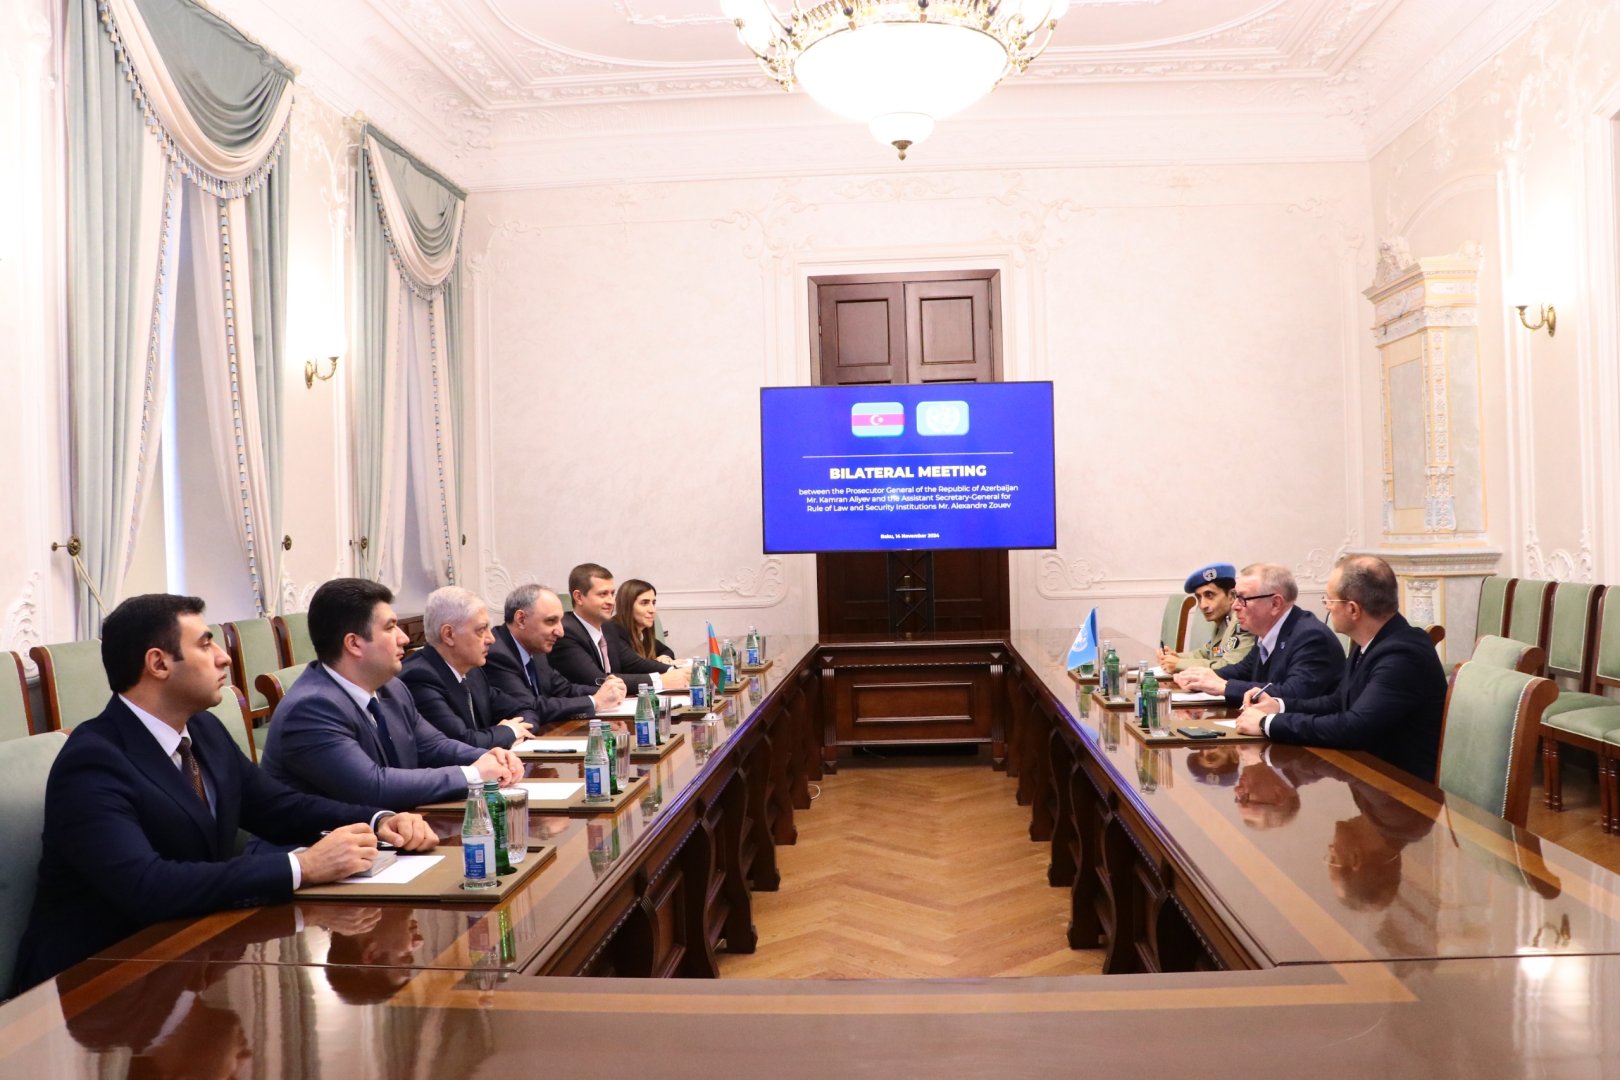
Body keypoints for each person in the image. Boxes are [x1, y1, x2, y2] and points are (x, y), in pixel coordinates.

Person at [13, 593, 437, 993]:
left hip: (190, 950)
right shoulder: (94, 760)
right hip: (96, 981)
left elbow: (276, 807)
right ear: (158, 663)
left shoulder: (202, 729)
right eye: (205, 645)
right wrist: (301, 867)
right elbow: (147, 885)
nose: (224, 657)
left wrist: (379, 820)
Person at [260, 578, 524, 810]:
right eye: (390, 628)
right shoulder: (311, 708)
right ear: (354, 643)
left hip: (383, 837)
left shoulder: (392, 688)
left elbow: (433, 746)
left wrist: (489, 756)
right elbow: (373, 787)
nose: (404, 638)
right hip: (313, 852)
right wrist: (473, 774)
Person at [1234, 554, 1449, 782]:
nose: (1326, 607)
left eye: (1330, 600)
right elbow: (1338, 701)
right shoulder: (1371, 643)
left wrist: (1267, 724)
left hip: (1403, 791)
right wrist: (1279, 706)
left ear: (1353, 609)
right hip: (1368, 777)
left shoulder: (1402, 655)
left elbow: (1354, 728)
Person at [1174, 562, 1342, 708]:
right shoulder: (1266, 633)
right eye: (1235, 597)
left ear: (1275, 603)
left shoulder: (1310, 637)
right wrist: (1200, 679)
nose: (1235, 606)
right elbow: (1241, 671)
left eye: (1243, 599)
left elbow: (1292, 694)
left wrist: (1224, 686)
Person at [400, 585, 534, 749]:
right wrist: (510, 731)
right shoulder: (419, 678)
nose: (491, 639)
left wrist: (515, 730)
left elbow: (524, 708)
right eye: (481, 630)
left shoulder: (473, 671)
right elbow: (462, 743)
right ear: (449, 635)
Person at [485, 583, 626, 728]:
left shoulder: (536, 648)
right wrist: (595, 701)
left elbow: (564, 690)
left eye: (560, 621)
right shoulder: (496, 654)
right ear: (521, 619)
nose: (560, 632)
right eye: (551, 621)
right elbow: (528, 706)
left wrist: (608, 690)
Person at [549, 563, 684, 693]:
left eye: (612, 594)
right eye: (603, 594)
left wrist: (676, 671)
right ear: (579, 597)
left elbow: (633, 665)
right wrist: (659, 681)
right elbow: (597, 680)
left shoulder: (608, 627)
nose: (611, 601)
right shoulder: (565, 632)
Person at [1157, 562, 1255, 674]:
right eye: (1199, 597)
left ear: (1231, 596)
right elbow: (1208, 653)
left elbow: (1228, 667)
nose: (1203, 605)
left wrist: (1179, 664)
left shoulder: (1243, 624)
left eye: (1209, 595)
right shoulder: (1223, 622)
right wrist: (1175, 656)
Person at [611, 578, 675, 663]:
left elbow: (667, 650)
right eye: (644, 603)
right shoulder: (614, 631)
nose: (652, 610)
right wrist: (667, 667)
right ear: (627, 605)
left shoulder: (643, 632)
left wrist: (664, 657)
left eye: (653, 603)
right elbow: (636, 666)